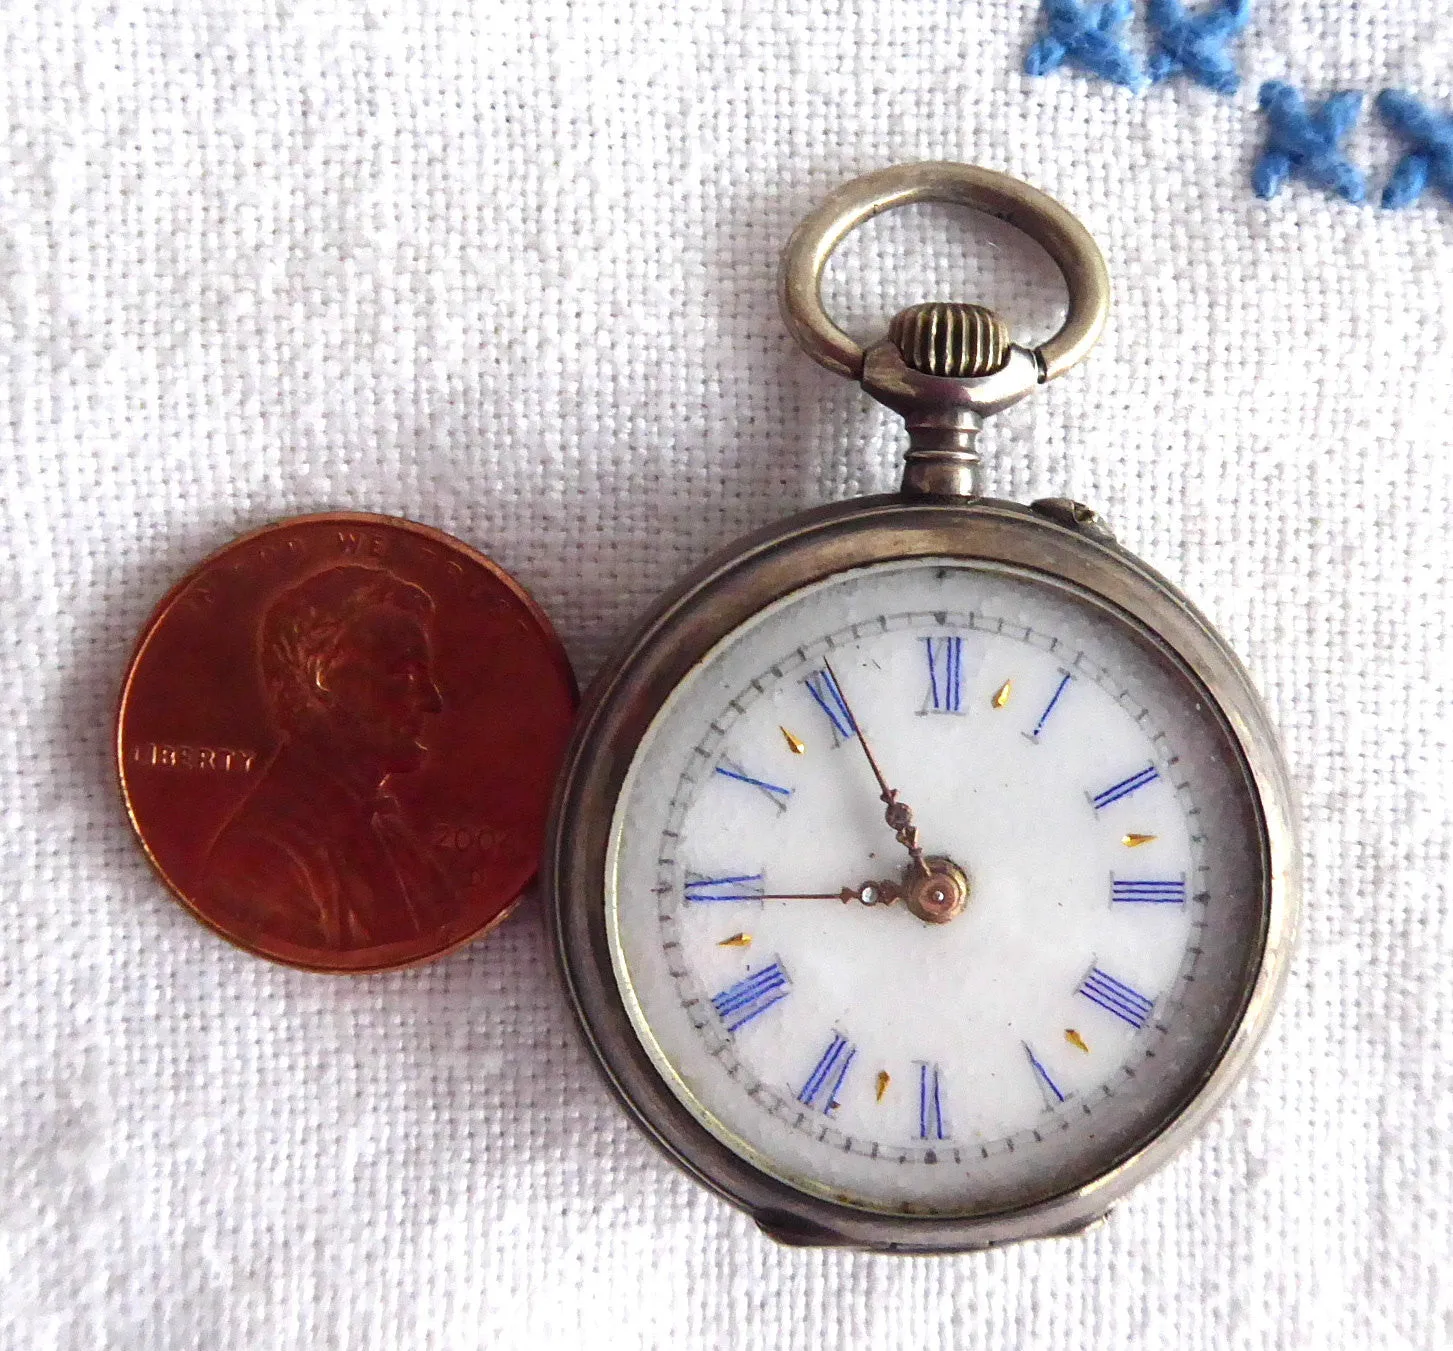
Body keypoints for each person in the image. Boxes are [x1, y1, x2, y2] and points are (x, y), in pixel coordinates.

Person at [206, 564, 454, 952]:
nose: (432, 701)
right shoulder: (263, 859)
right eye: (404, 675)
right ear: (322, 680)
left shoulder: (390, 833)